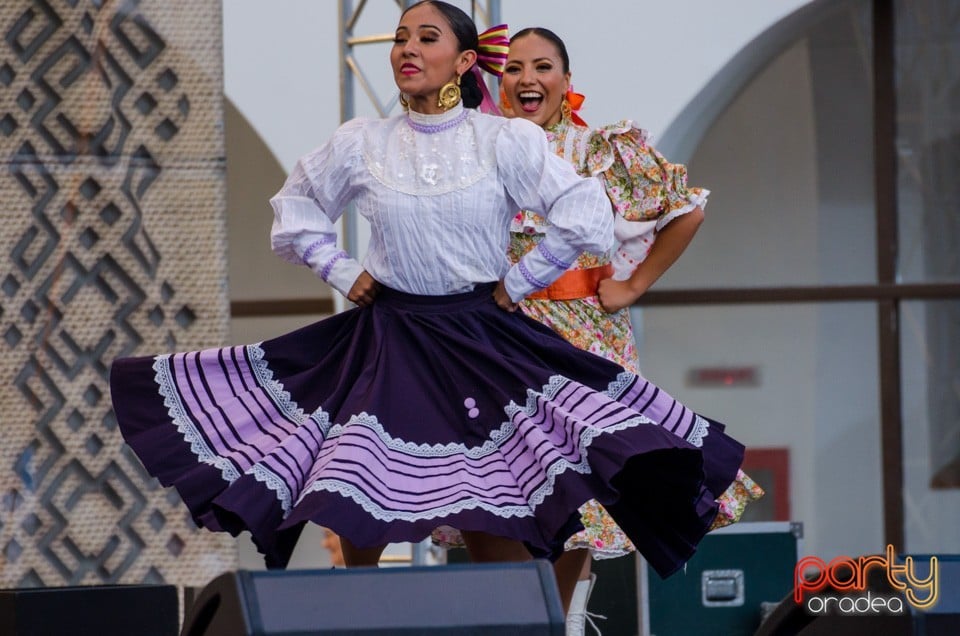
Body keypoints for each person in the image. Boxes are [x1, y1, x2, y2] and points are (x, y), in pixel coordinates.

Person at [109, 0, 746, 598]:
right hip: (387, 339)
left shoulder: (504, 141)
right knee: (356, 510)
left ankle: (529, 624)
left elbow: (583, 215)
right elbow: (295, 211)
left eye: (426, 37)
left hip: (478, 338)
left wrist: (521, 282)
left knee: (497, 523)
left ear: (465, 61)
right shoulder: (363, 141)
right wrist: (340, 268)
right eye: (400, 39)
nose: (407, 49)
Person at [434, 27, 764, 634]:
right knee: (503, 486)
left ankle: (562, 619)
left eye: (543, 66)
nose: (527, 78)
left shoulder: (598, 150)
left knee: (579, 487)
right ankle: (526, 619)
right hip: (496, 340)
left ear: (565, 78)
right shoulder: (475, 148)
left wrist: (634, 287)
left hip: (582, 341)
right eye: (514, 68)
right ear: (497, 81)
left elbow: (686, 207)